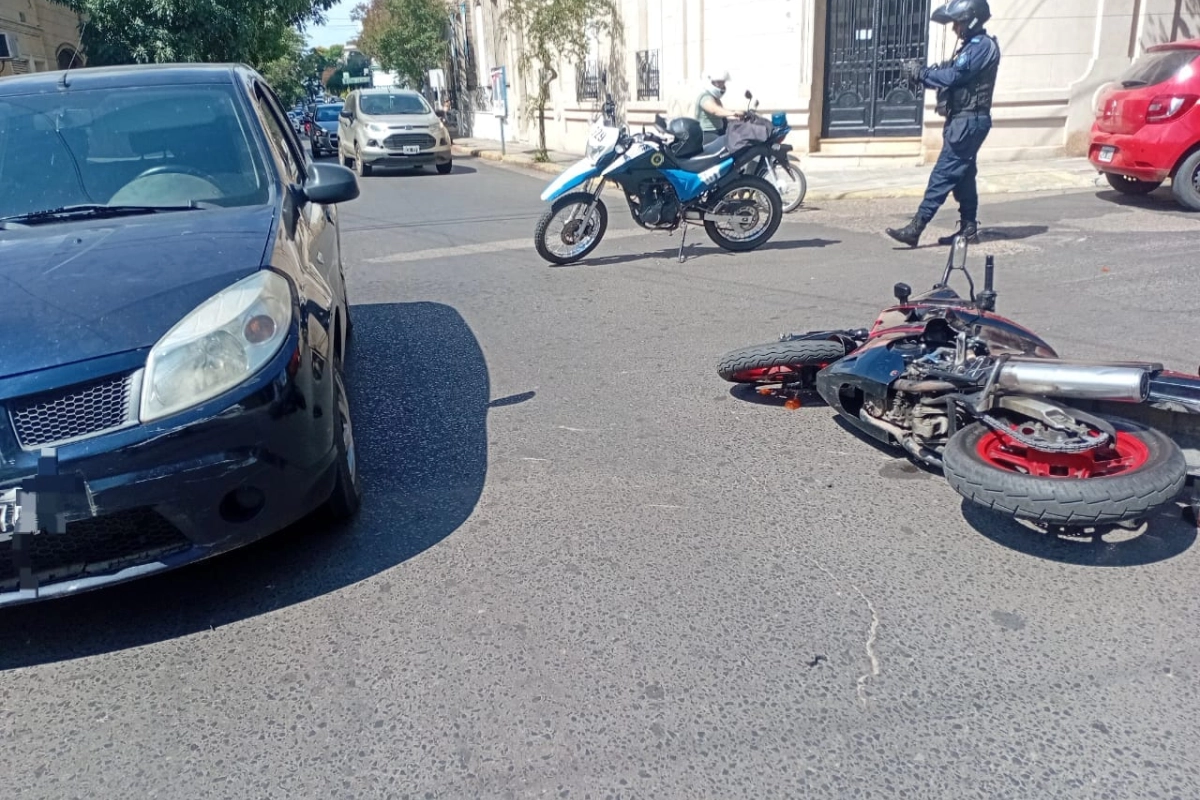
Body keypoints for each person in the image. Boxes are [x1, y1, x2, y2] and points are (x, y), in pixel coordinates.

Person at [885, 0, 1000, 248]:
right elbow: (948, 76)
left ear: (971, 20)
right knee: (964, 177)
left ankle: (916, 228)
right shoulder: (970, 48)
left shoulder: (982, 47)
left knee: (943, 174)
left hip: (969, 121)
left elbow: (955, 76)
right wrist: (922, 75)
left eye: (958, 22)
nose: (954, 28)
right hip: (962, 120)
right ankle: (968, 229)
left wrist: (922, 74)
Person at [694, 67, 743, 145]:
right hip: (707, 133)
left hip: (718, 131)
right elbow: (715, 110)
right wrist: (733, 113)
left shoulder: (716, 99)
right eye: (719, 82)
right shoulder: (705, 97)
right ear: (709, 82)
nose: (722, 85)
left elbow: (721, 116)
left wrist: (739, 118)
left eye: (723, 82)